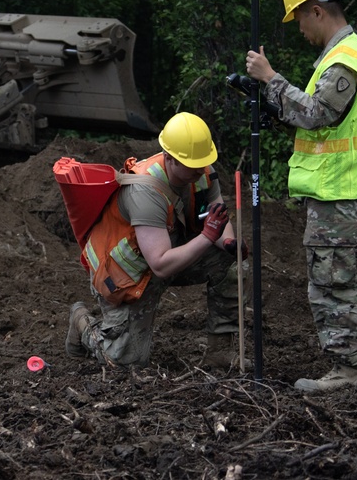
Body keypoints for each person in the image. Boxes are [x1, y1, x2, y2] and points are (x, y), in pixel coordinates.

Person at [244, 0, 357, 392]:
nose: (298, 29)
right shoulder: (343, 56)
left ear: (316, 11)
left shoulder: (344, 60)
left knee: (334, 285)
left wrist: (271, 79)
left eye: (297, 18)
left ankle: (348, 372)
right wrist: (276, 107)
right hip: (349, 193)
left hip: (340, 196)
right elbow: (325, 123)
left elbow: (317, 114)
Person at [65, 112, 250, 369]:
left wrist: (229, 244)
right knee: (124, 362)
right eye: (192, 164)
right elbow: (160, 264)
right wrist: (208, 236)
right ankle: (82, 323)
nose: (200, 170)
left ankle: (220, 350)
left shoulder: (202, 171)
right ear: (170, 158)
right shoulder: (145, 191)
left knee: (231, 263)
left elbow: (215, 217)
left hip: (172, 252)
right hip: (128, 274)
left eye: (203, 162)